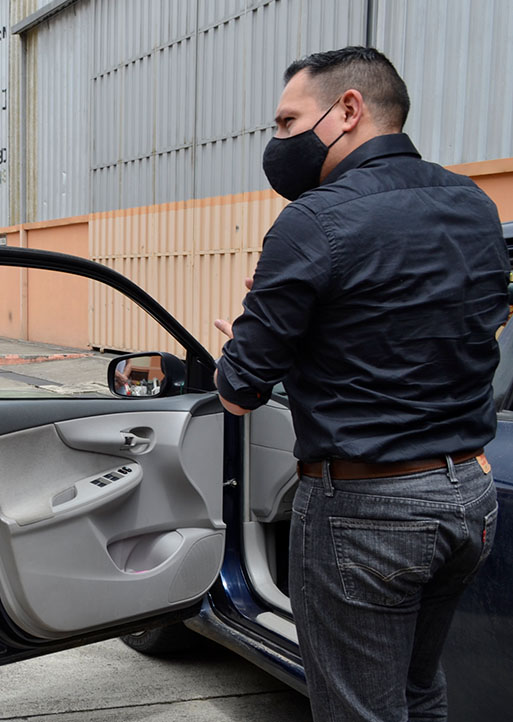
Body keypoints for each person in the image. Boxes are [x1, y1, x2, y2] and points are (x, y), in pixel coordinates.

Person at [214, 46, 507, 721]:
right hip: (468, 497)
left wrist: (248, 336)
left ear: (348, 110)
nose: (276, 141)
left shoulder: (313, 220)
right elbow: (456, 332)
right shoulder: (472, 205)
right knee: (417, 691)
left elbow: (238, 390)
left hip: (366, 513)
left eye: (286, 122)